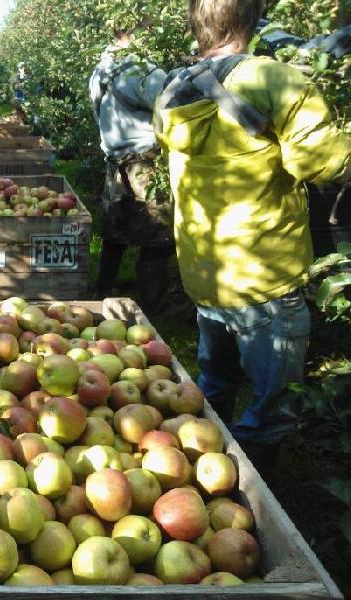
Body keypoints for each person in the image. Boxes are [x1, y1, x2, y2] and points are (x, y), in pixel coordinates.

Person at [154, 0, 351, 468]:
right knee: (273, 403)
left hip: (205, 270)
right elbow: (323, 161)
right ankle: (247, 487)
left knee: (215, 380)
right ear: (251, 19)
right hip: (262, 274)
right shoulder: (273, 80)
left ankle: (195, 454)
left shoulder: (173, 89)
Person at [88, 29, 182, 318]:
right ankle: (155, 304)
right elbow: (172, 101)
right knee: (158, 233)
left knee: (116, 230)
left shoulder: (100, 69)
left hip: (116, 160)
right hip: (144, 163)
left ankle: (102, 289)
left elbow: (97, 110)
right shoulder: (138, 68)